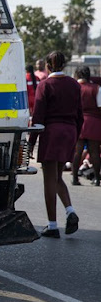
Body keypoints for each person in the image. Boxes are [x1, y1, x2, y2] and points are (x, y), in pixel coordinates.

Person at [29, 51, 83, 238]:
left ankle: (52, 225)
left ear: (48, 66)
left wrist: (31, 143)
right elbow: (80, 115)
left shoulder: (45, 85)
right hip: (70, 131)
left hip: (52, 132)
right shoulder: (74, 85)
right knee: (58, 176)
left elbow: (38, 116)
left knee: (49, 180)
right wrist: (75, 138)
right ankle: (70, 211)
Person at [71, 66, 101, 186]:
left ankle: (74, 178)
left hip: (78, 122)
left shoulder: (74, 88)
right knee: (94, 151)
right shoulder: (97, 88)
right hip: (94, 122)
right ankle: (97, 179)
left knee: (77, 151)